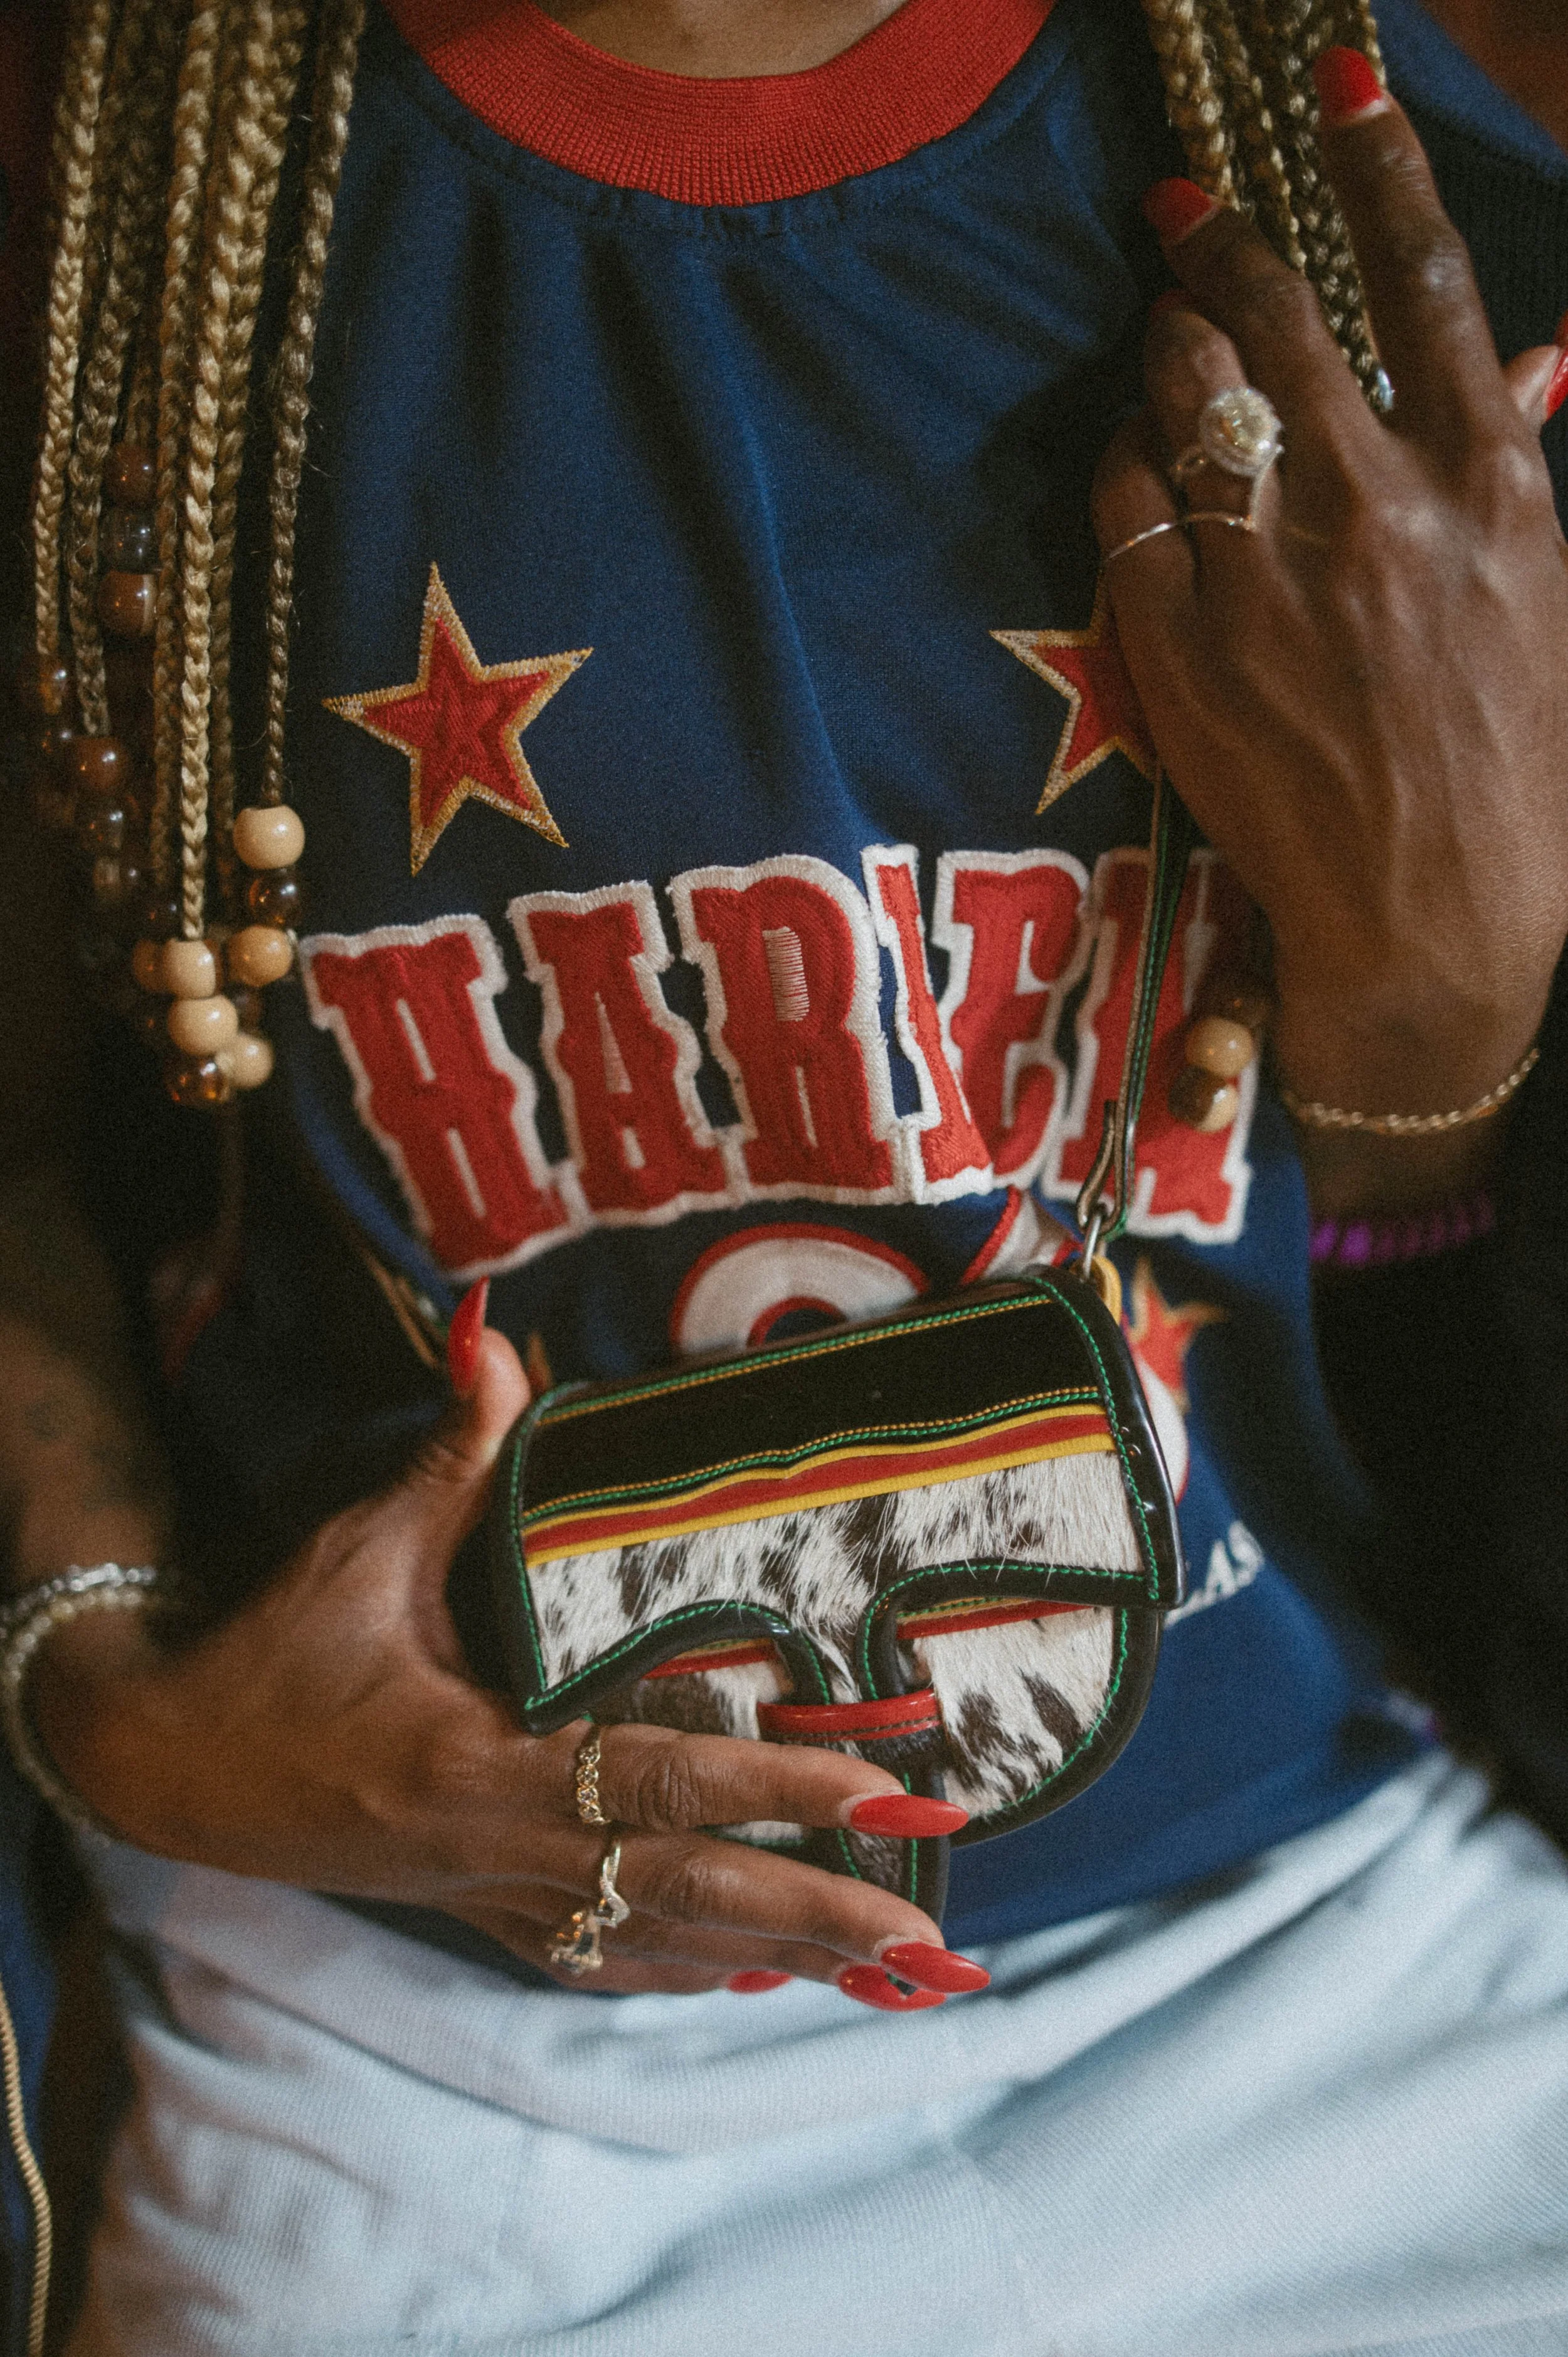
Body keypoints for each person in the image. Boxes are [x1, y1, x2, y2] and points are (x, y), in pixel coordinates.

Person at [3, 0, 1568, 2349]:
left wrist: (1443, 1012)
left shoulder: (1378, 180)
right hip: (430, 2063)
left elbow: (1438, 1265)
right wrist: (120, 1705)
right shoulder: (102, 199)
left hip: (1322, 1939)